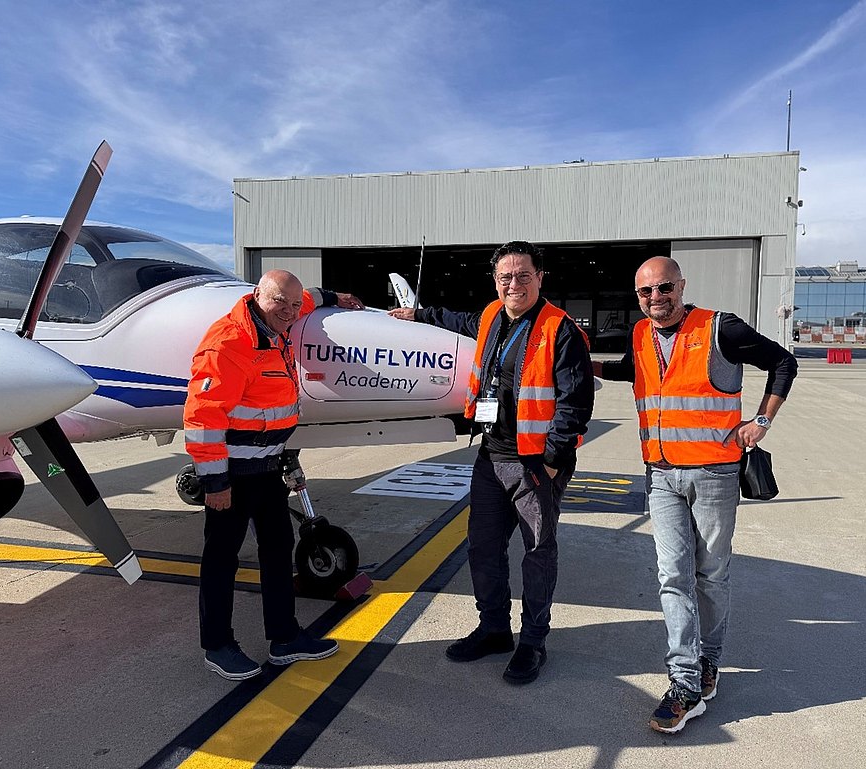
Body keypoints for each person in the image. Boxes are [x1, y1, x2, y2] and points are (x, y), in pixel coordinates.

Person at [594, 256, 797, 733]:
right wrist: (585, 362)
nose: (655, 298)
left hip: (714, 474)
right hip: (660, 473)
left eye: (664, 288)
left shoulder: (720, 328)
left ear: (681, 285)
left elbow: (783, 362)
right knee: (672, 576)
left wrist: (761, 421)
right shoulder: (641, 334)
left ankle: (709, 660)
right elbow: (633, 371)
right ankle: (685, 682)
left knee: (711, 575)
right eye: (645, 292)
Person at [389, 241, 594, 684]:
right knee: (482, 547)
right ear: (495, 280)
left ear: (541, 278)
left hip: (536, 464)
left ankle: (533, 642)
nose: (513, 284)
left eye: (523, 275)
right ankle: (494, 628)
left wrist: (554, 461)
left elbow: (575, 404)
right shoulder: (490, 316)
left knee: (537, 553)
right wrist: (418, 314)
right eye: (505, 277)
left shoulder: (560, 331)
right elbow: (455, 320)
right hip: (492, 455)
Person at [184, 269, 364, 680]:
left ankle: (285, 638)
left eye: (295, 305)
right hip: (232, 471)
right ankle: (217, 645)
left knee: (279, 551)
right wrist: (214, 481)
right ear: (256, 296)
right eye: (279, 302)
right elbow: (202, 416)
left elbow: (303, 299)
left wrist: (335, 294)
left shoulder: (278, 321)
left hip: (266, 468)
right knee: (221, 560)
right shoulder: (229, 343)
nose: (289, 312)